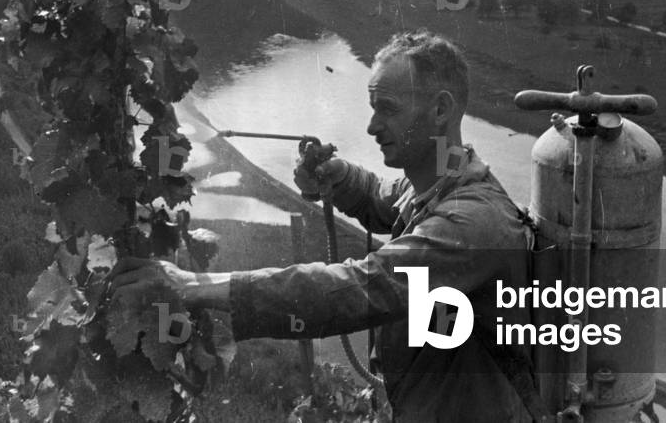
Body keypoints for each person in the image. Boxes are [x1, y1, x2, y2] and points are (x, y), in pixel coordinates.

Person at [107, 29, 541, 422]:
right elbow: (385, 197)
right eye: (372, 108)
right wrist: (341, 177)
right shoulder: (444, 182)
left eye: (388, 110)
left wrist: (196, 285)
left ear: (441, 109)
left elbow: (355, 288)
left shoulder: (471, 225)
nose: (372, 126)